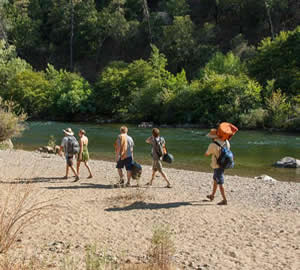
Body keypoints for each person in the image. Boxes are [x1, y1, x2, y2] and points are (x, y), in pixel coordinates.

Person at [205, 128, 230, 205]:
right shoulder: (226, 141)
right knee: (215, 180)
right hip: (224, 164)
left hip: (217, 165)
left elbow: (206, 154)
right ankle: (212, 195)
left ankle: (225, 200)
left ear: (213, 137)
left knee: (220, 183)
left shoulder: (213, 145)